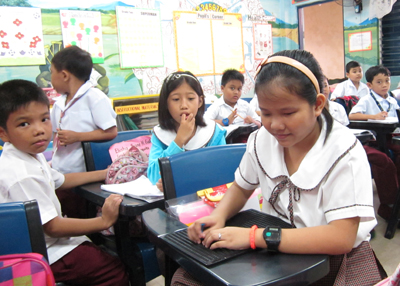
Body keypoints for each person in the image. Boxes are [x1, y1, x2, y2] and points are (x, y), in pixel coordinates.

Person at [172, 50, 384, 286]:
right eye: (266, 113)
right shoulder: (262, 139)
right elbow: (242, 187)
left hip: (329, 259)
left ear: (317, 104)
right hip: (274, 247)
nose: (275, 125)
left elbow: (341, 237)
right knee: (186, 279)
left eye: (288, 113)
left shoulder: (344, 151)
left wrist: (254, 237)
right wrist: (218, 215)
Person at [0, 79, 129, 286]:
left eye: (44, 119)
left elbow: (62, 180)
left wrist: (106, 172)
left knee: (100, 251)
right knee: (113, 270)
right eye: (24, 123)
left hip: (51, 243)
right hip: (44, 254)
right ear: (3, 132)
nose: (39, 130)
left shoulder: (28, 154)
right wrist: (103, 221)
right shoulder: (21, 174)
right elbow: (53, 227)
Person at [50, 46, 118, 218]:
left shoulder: (94, 98)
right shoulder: (59, 103)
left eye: (52, 73)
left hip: (83, 174)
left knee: (80, 215)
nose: (50, 79)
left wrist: (78, 137)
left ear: (64, 75)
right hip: (60, 171)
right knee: (65, 212)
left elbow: (111, 132)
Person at [323, 75, 398, 220]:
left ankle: (390, 205)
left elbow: (346, 130)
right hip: (327, 149)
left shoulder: (337, 107)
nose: (323, 89)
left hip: (348, 145)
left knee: (383, 159)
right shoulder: (308, 110)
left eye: (326, 85)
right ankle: (357, 217)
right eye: (319, 86)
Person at [147, 71, 227, 188]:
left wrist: (178, 182)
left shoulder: (214, 132)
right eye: (175, 99)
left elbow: (223, 170)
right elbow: (154, 177)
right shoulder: (160, 134)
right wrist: (179, 140)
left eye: (190, 98)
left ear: (199, 101)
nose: (184, 105)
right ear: (166, 104)